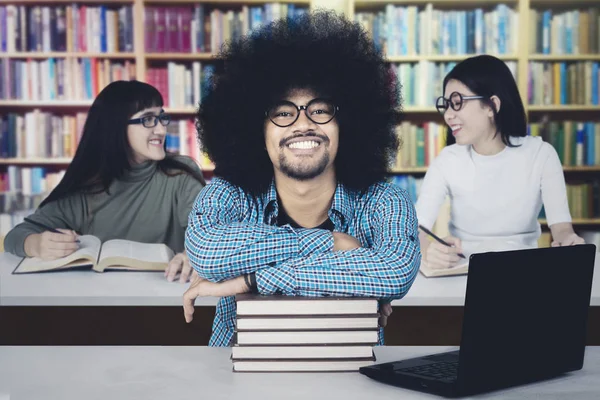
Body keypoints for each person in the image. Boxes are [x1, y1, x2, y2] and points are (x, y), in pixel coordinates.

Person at [181, 11, 422, 347]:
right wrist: (331, 244)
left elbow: (394, 271)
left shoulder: (383, 200)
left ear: (347, 124)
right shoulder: (230, 194)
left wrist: (250, 279)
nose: (303, 124)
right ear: (255, 130)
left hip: (350, 378)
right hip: (238, 378)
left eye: (320, 110)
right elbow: (206, 252)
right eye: (283, 112)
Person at [4, 80, 206, 282]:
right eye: (148, 119)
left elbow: (210, 235)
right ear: (116, 127)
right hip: (99, 304)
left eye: (161, 118)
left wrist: (193, 256)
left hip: (169, 298)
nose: (162, 130)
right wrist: (36, 244)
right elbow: (16, 236)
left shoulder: (181, 174)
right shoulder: (86, 188)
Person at [416, 55, 584, 270]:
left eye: (457, 103)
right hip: (463, 271)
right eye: (446, 105)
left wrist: (570, 241)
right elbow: (416, 229)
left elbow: (562, 229)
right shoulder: (447, 161)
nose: (448, 115)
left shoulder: (541, 154)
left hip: (525, 270)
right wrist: (427, 251)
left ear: (491, 106)